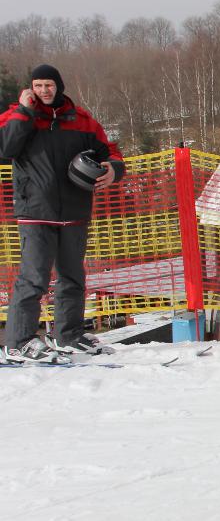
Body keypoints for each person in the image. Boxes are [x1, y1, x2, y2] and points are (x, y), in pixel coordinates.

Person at [1, 64, 125, 363]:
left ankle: (67, 336)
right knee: (34, 277)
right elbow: (6, 147)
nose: (44, 90)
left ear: (59, 86)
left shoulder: (81, 119)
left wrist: (113, 169)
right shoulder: (18, 115)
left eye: (49, 85)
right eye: (38, 85)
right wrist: (25, 111)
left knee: (72, 277)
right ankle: (18, 342)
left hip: (74, 209)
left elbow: (109, 151)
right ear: (31, 88)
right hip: (35, 210)